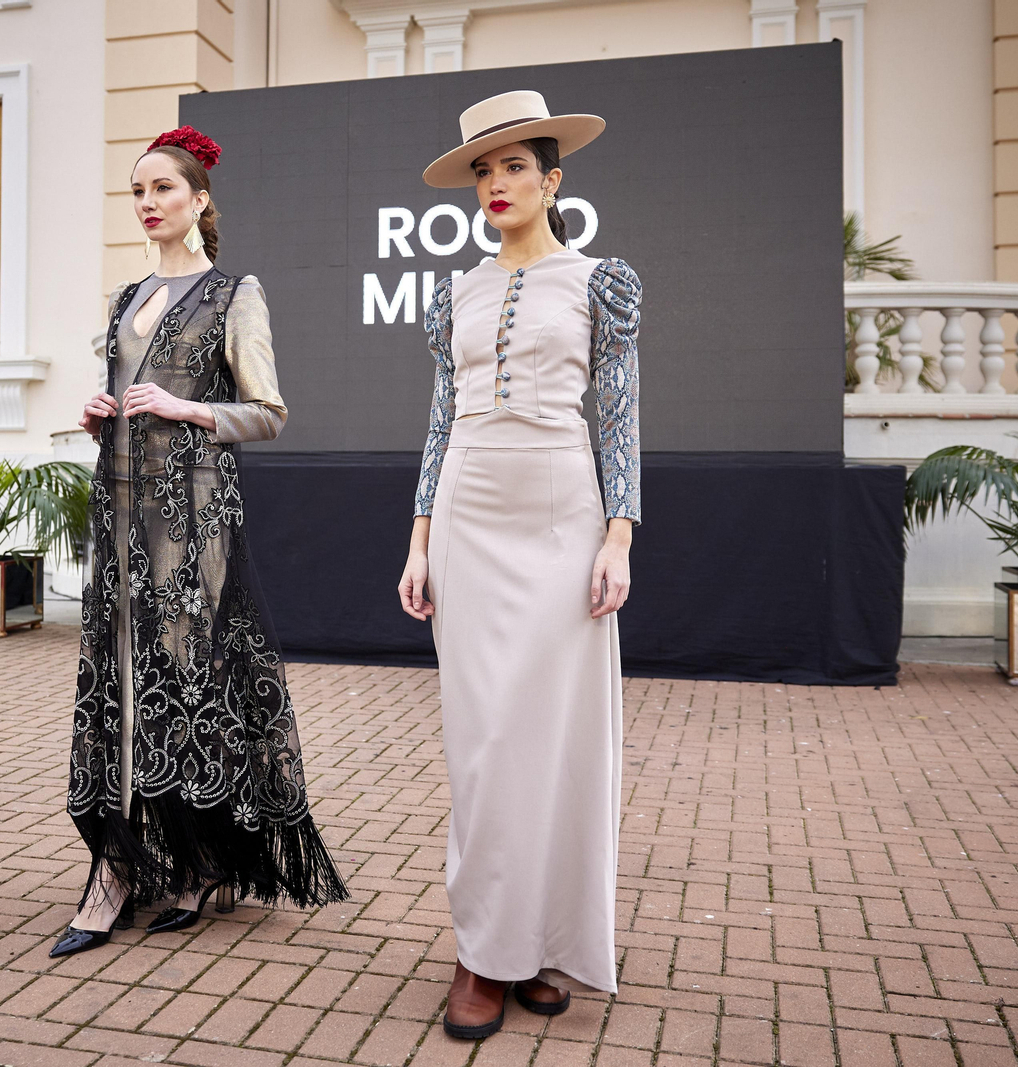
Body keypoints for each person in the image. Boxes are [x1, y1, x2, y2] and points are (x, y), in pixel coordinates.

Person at [55, 125, 348, 958]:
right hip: (116, 513)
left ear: (200, 200)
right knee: (119, 677)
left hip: (194, 519)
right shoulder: (123, 298)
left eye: (163, 190)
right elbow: (120, 397)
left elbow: (270, 412)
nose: (148, 205)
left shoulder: (234, 293)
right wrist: (96, 413)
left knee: (190, 677)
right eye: (138, 192)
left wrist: (187, 408)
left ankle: (202, 857)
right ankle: (116, 866)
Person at [397, 91, 642, 1037]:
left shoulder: (600, 282)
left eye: (512, 168)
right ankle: (481, 949)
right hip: (468, 508)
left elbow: (617, 415)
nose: (494, 185)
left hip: (561, 510)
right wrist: (418, 537)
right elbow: (436, 419)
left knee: (557, 738)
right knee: (485, 739)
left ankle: (537, 942)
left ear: (553, 179)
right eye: (481, 171)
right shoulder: (451, 291)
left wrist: (619, 534)